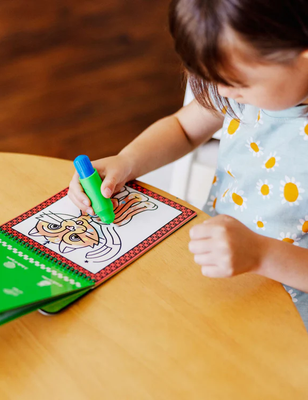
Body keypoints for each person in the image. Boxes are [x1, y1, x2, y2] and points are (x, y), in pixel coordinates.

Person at [68, 0, 308, 329]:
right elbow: (182, 129)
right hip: (218, 278)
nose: (222, 91)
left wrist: (261, 255)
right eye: (212, 77)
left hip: (290, 320)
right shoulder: (240, 86)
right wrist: (128, 160)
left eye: (237, 82)